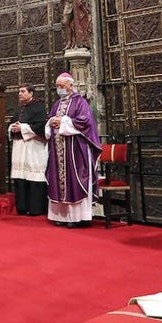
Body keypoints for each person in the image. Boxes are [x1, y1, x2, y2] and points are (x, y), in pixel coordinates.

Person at [44, 73, 101, 227]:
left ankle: (78, 218)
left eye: (62, 86)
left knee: (75, 180)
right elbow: (50, 120)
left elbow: (85, 122)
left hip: (76, 150)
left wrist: (62, 121)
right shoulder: (56, 104)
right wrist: (51, 121)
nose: (59, 89)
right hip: (58, 150)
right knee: (59, 180)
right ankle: (62, 217)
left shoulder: (80, 102)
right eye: (57, 86)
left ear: (71, 85)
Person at [8, 85, 49, 216]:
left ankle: (36, 209)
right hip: (20, 148)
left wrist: (23, 128)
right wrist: (12, 127)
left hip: (34, 148)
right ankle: (22, 207)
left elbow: (42, 127)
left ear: (31, 93)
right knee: (21, 177)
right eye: (18, 91)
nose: (19, 94)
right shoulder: (19, 109)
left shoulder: (39, 108)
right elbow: (13, 123)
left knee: (34, 177)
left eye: (22, 91)